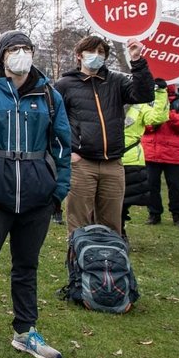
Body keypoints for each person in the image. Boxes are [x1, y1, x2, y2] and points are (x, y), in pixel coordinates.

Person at [0, 31, 70, 358]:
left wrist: (57, 191)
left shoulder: (50, 95)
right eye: (13, 49)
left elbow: (62, 146)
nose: (20, 54)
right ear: (2, 55)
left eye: (26, 49)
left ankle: (26, 331)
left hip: (37, 198)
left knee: (26, 266)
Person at [54, 36, 155, 232]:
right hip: (81, 163)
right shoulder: (65, 85)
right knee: (79, 222)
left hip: (113, 164)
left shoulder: (116, 81)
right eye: (91, 51)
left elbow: (144, 94)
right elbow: (55, 123)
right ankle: (78, 259)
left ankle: (110, 260)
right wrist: (68, 153)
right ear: (79, 56)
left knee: (112, 223)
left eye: (101, 52)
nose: (96, 56)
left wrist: (137, 61)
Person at [120, 83, 169, 242]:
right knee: (107, 200)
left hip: (131, 160)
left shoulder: (140, 107)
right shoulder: (108, 102)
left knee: (124, 201)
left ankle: (119, 230)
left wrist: (161, 93)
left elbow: (158, 117)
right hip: (107, 158)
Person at [142, 80, 179, 227]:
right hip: (152, 152)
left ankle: (178, 215)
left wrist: (168, 114)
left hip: (173, 154)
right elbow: (144, 124)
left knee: (176, 187)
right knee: (151, 185)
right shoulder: (148, 102)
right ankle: (154, 214)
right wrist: (157, 118)